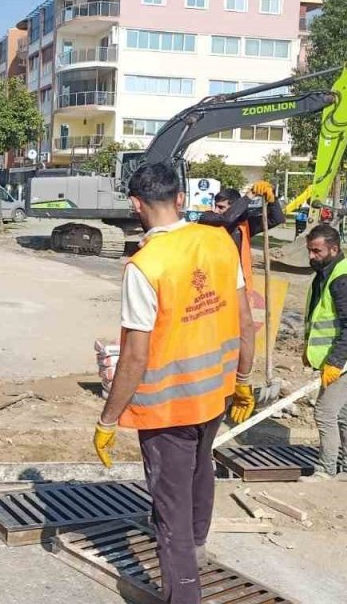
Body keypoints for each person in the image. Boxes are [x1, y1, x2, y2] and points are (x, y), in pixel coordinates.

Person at [93, 162, 256, 602]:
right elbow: (246, 321)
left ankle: (184, 592)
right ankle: (198, 550)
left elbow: (135, 355)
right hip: (216, 393)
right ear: (182, 198)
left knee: (170, 514)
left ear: (135, 204)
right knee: (202, 470)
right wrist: (243, 379)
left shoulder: (145, 265)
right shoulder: (220, 240)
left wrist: (109, 419)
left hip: (168, 410)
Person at [301, 224, 347, 482]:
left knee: (324, 412)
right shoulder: (327, 273)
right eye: (310, 250)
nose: (312, 256)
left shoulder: (345, 280)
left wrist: (334, 362)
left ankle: (326, 470)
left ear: (334, 248)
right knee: (345, 415)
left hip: (346, 361)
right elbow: (321, 319)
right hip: (344, 359)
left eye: (317, 251)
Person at [197, 181, 284, 295]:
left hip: (237, 283)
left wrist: (273, 199)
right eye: (216, 206)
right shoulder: (207, 218)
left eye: (221, 207)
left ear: (234, 207)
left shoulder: (244, 225)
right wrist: (250, 194)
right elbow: (227, 219)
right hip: (210, 281)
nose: (216, 210)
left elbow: (276, 219)